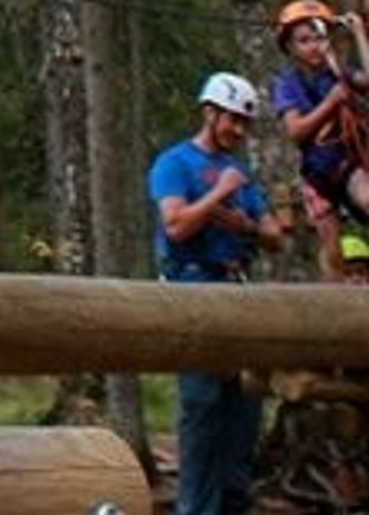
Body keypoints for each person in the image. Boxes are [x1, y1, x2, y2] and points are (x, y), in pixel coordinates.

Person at [148, 70, 284, 515]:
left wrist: (245, 223)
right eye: (232, 121)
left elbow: (273, 234)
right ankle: (195, 508)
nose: (238, 131)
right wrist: (216, 200)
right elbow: (176, 224)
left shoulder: (241, 173)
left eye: (244, 124)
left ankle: (233, 503)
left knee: (243, 408)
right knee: (203, 404)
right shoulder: (175, 163)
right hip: (192, 286)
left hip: (236, 288)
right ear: (210, 113)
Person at [268, 0, 369, 282]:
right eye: (304, 40)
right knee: (332, 249)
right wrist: (331, 103)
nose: (314, 46)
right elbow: (296, 131)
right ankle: (337, 306)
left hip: (347, 163)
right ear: (290, 47)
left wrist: (360, 35)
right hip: (318, 174)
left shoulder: (338, 74)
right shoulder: (287, 85)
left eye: (319, 38)